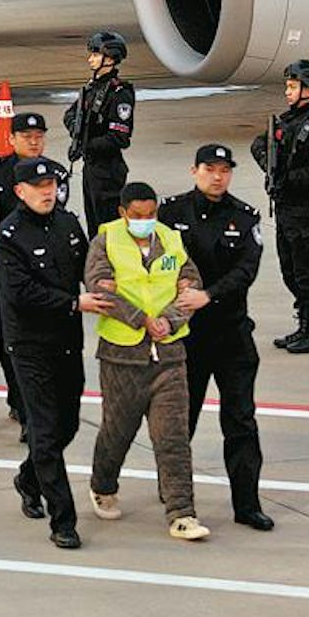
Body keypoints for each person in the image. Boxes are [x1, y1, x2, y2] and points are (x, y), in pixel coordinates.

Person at [84, 182, 211, 542]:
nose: (146, 221)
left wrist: (169, 321)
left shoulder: (170, 240)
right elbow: (100, 288)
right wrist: (141, 319)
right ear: (123, 213)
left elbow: (189, 284)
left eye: (151, 214)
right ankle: (103, 484)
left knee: (173, 437)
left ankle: (182, 513)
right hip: (122, 356)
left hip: (169, 354)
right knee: (117, 431)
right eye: (137, 215)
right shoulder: (105, 242)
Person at [162, 144, 273, 531]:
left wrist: (207, 295)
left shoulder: (244, 217)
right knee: (181, 421)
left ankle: (247, 504)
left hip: (231, 334)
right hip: (187, 337)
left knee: (240, 421)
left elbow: (246, 271)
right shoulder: (171, 213)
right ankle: (175, 495)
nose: (217, 176)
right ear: (194, 171)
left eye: (224, 170)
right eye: (210, 169)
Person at [0, 156, 98, 550]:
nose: (47, 192)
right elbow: (21, 293)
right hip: (30, 345)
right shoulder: (9, 236)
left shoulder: (68, 224)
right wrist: (73, 303)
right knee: (45, 430)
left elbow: (88, 266)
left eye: (51, 185)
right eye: (38, 187)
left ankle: (28, 478)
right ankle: (63, 520)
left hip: (67, 341)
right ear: (20, 191)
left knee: (67, 424)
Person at [0, 111, 62, 434]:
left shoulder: (55, 173)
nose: (34, 141)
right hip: (7, 272)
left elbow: (53, 219)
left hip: (45, 271)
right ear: (11, 139)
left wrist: (2, 234)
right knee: (11, 339)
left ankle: (40, 404)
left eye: (39, 136)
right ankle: (22, 404)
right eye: (27, 137)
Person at [250, 59, 309, 355]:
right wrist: (269, 166)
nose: (287, 92)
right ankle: (303, 324)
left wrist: (286, 179)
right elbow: (259, 144)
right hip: (287, 210)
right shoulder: (288, 120)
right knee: (290, 270)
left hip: (308, 213)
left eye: (292, 86)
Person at [65, 30, 135, 238]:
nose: (91, 59)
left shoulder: (119, 93)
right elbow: (70, 114)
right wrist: (76, 130)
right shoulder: (92, 88)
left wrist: (86, 144)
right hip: (91, 168)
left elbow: (119, 137)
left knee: (109, 229)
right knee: (94, 227)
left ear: (110, 59)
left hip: (108, 171)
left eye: (96, 55)